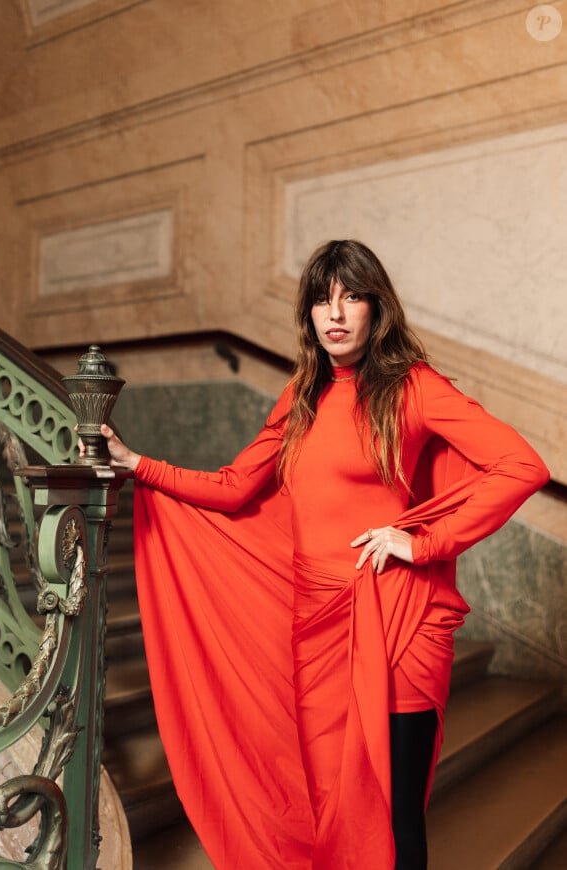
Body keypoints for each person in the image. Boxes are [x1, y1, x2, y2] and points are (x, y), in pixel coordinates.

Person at [88, 240, 549, 870]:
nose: (334, 313)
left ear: (376, 308)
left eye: (351, 296)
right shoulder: (302, 396)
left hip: (398, 621)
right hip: (318, 623)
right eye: (320, 299)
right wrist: (137, 463)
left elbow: (522, 465)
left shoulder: (414, 387)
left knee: (395, 814)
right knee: (331, 801)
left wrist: (421, 542)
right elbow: (233, 486)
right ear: (307, 314)